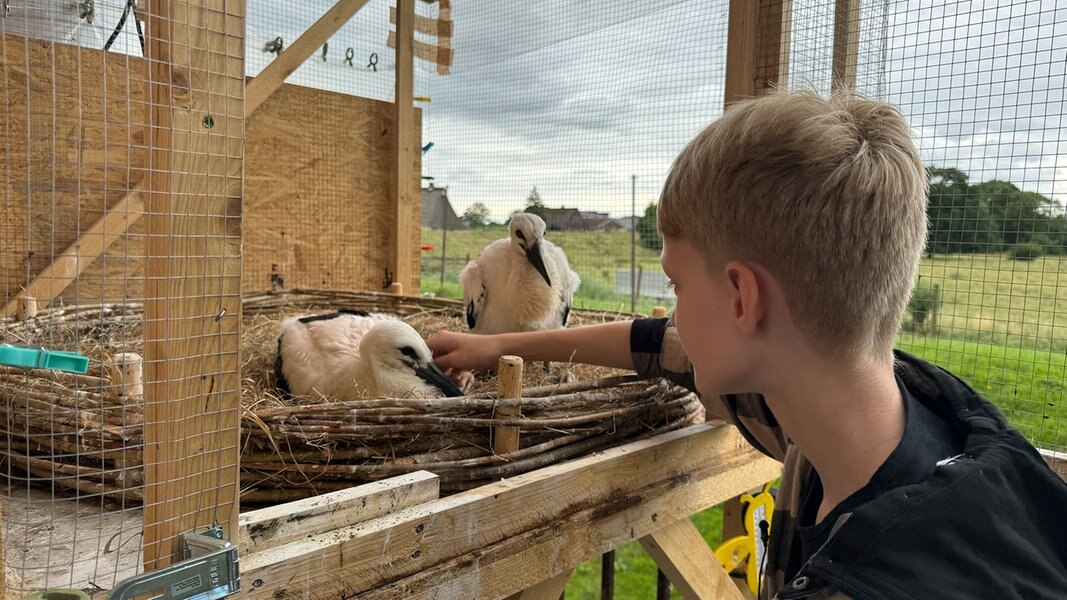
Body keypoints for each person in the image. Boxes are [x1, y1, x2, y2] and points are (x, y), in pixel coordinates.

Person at [428, 90, 1067, 599]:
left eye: (677, 284)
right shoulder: (871, 420)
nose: (672, 311)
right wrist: (497, 346)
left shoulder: (871, 578)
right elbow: (656, 346)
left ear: (742, 300)